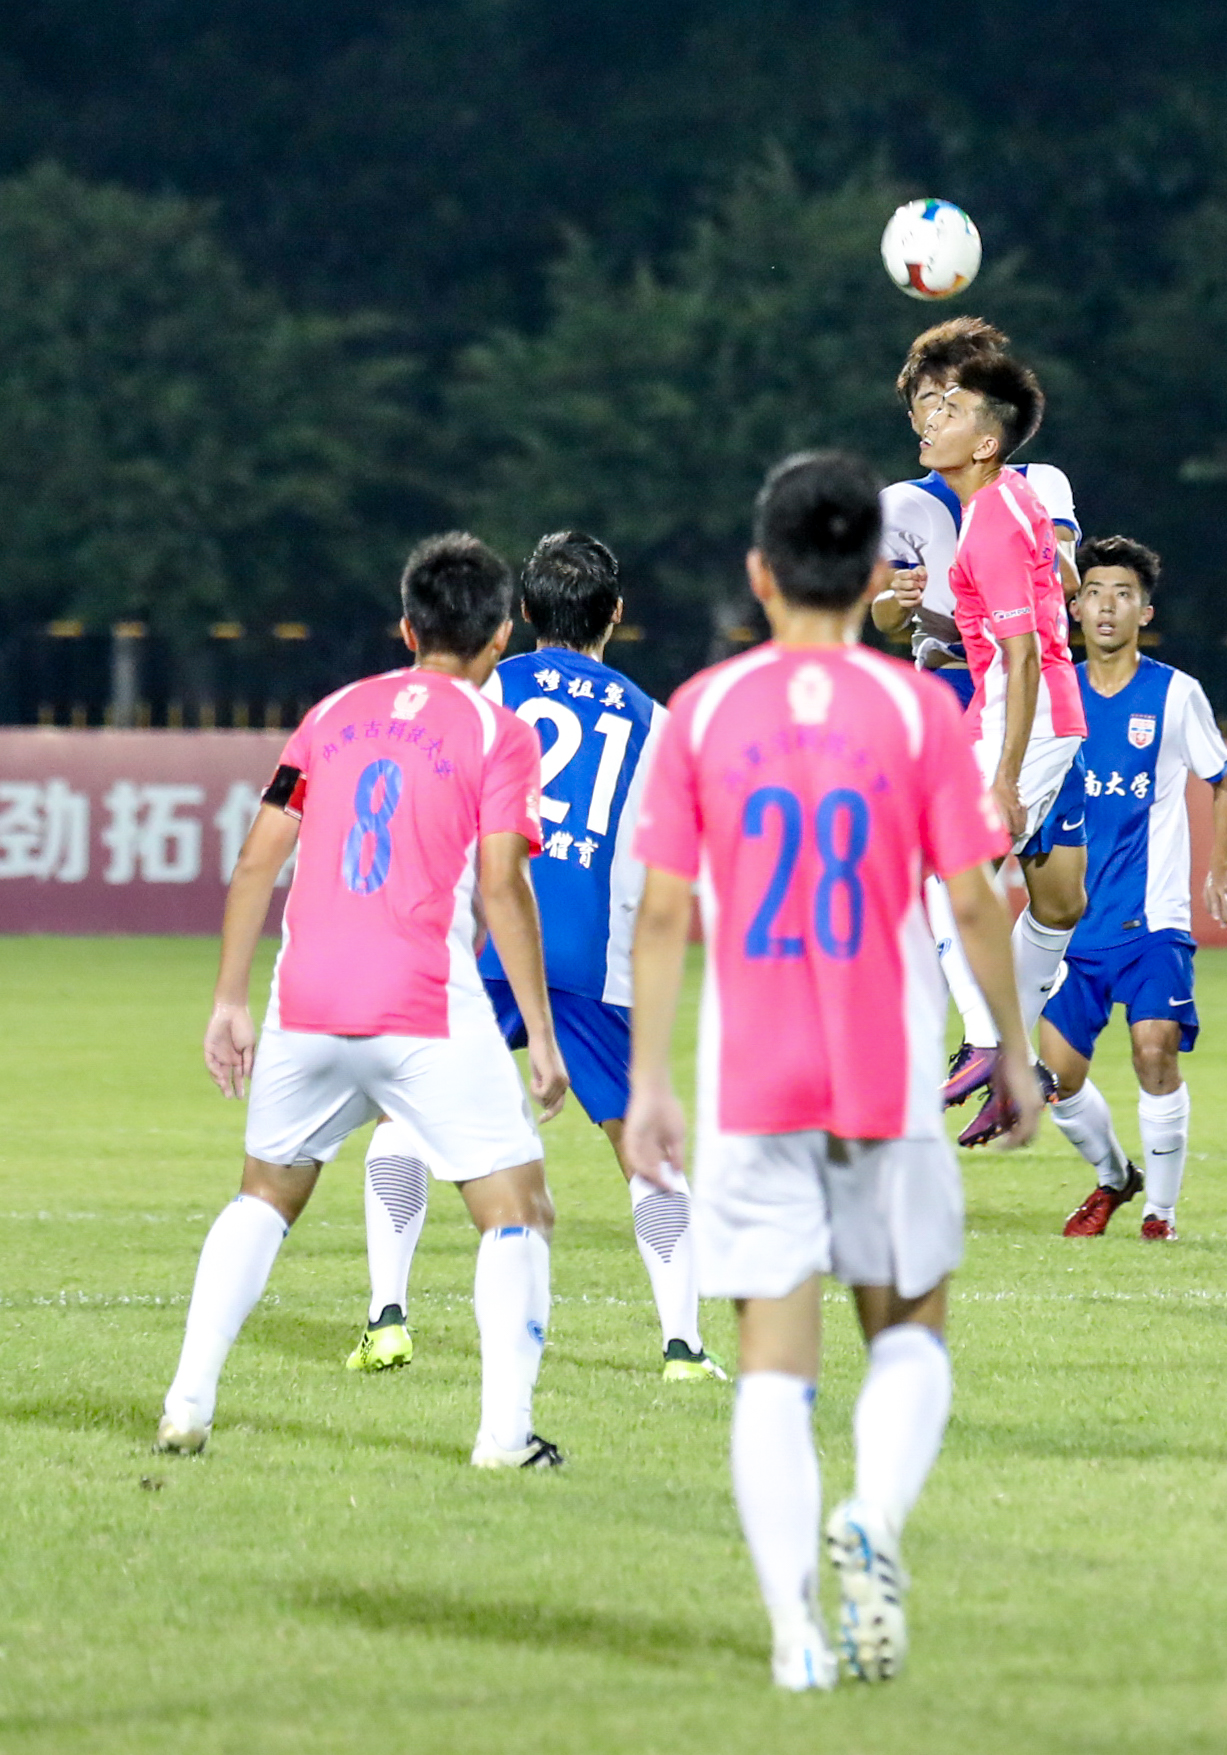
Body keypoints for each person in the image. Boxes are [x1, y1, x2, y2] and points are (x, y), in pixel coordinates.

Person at [620, 451, 1035, 1691]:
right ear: (871, 579)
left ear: (760, 574)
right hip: (883, 1075)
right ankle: (875, 1516)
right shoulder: (914, 712)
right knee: (909, 1325)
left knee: (772, 1360)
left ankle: (793, 1632)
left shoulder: (703, 711)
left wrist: (649, 1084)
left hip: (753, 1085)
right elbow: (972, 897)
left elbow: (661, 913)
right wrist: (1012, 1052)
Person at [157, 534, 571, 1469]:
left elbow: (258, 858)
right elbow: (504, 885)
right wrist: (540, 1033)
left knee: (265, 1196)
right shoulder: (497, 732)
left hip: (305, 999)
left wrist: (228, 999)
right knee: (517, 1207)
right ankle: (505, 1435)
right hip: (421, 1003)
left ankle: (187, 1400)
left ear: (407, 628)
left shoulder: (331, 712)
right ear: (500, 636)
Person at [345, 533, 725, 1382]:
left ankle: (387, 1317)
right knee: (642, 1143)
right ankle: (682, 1346)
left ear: (520, 613)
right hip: (591, 952)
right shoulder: (656, 723)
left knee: (403, 1115)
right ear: (615, 614)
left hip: (480, 937)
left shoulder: (483, 688)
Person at [871, 317, 1084, 1098]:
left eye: (950, 401)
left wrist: (1003, 774)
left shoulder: (1017, 497)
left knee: (1035, 893)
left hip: (1019, 699)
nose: (933, 416)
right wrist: (898, 601)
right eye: (926, 404)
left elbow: (1041, 622)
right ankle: (987, 1046)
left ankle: (996, 1042)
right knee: (946, 875)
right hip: (972, 698)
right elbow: (886, 617)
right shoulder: (915, 504)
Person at [1040, 536, 1227, 1241]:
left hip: (1154, 917)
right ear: (1074, 607)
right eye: (1094, 592)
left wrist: (1219, 867)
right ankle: (1113, 1177)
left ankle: (1161, 1213)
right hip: (1070, 923)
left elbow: (1224, 783)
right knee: (1057, 1079)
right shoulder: (1050, 694)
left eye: (1122, 594)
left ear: (1144, 612)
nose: (1106, 606)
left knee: (1154, 1048)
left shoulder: (1174, 694)